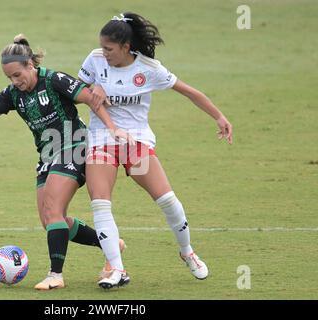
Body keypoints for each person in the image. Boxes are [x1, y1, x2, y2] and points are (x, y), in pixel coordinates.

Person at [0, 34, 132, 290]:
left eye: (17, 75)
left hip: (75, 147)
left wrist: (112, 129)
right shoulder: (12, 94)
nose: (15, 81)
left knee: (53, 209)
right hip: (47, 156)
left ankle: (56, 275)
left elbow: (91, 98)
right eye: (10, 77)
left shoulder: (54, 80)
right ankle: (109, 243)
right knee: (50, 219)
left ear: (30, 65)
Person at [78, 12, 233, 289]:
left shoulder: (149, 69)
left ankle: (187, 252)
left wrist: (219, 117)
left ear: (126, 47)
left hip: (135, 142)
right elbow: (81, 89)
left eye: (110, 49)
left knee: (167, 200)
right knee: (100, 202)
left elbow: (188, 91)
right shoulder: (95, 59)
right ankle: (116, 268)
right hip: (102, 138)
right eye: (102, 47)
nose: (104, 53)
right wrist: (93, 86)